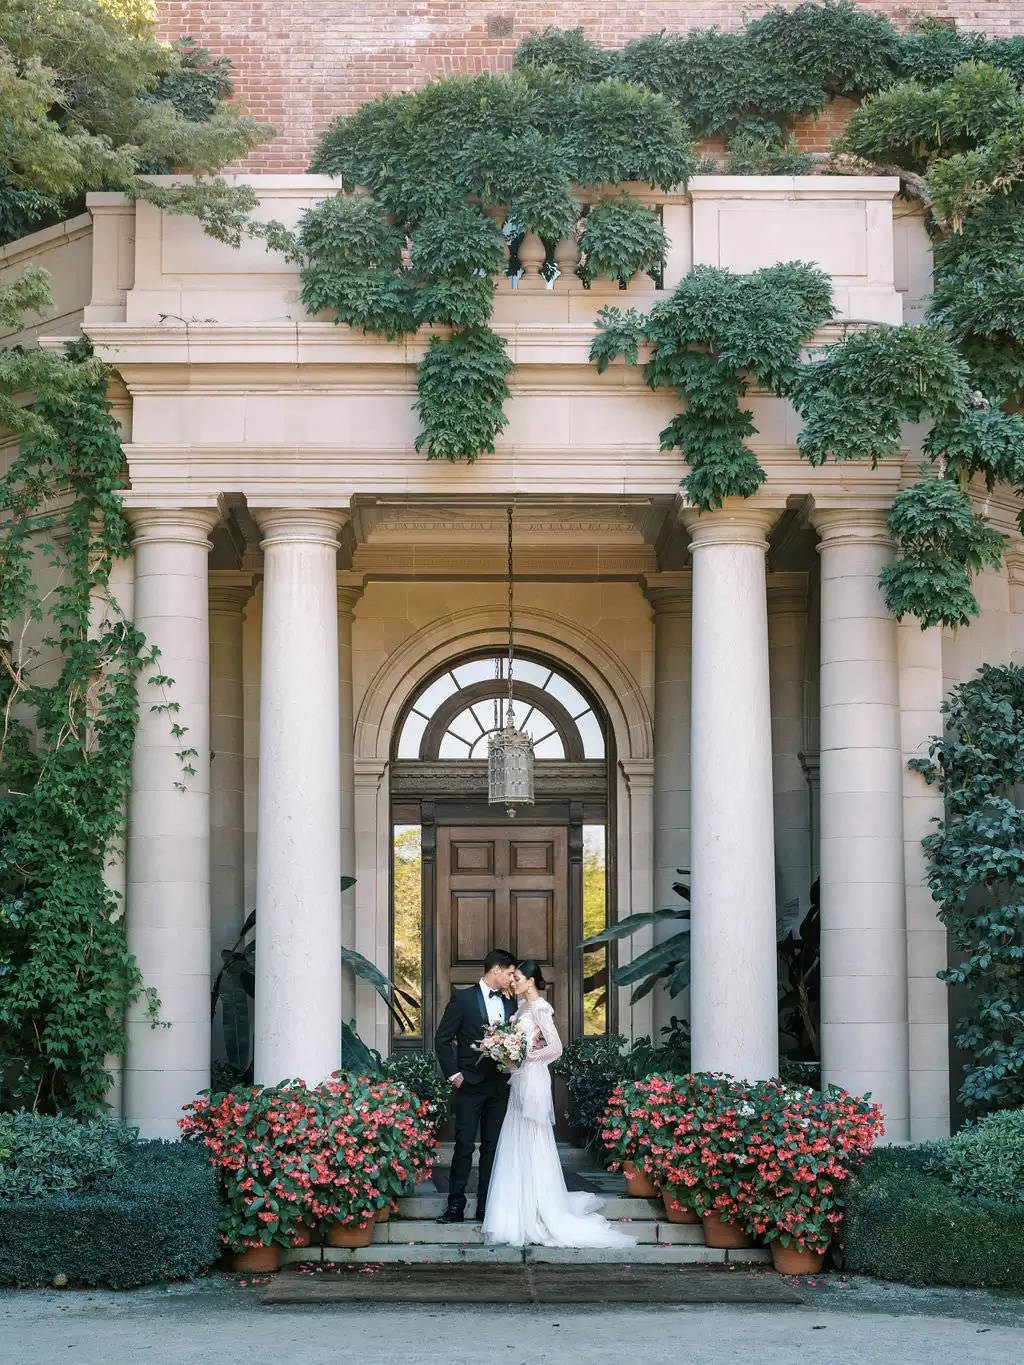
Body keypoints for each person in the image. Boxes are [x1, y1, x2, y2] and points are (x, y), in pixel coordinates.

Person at [481, 960, 636, 1250]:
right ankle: (518, 1209)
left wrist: (526, 1055)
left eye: (518, 978)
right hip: (519, 1080)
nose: (513, 982)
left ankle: (540, 1208)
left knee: (533, 1138)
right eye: (511, 978)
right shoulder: (521, 1009)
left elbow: (556, 1048)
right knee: (517, 1138)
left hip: (533, 1077)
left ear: (531, 981)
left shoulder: (540, 1008)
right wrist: (507, 1054)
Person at [433, 948, 517, 1223]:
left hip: (500, 1086)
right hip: (469, 1084)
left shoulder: (510, 1003)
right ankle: (455, 1205)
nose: (511, 978)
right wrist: (453, 1074)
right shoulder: (463, 998)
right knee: (464, 1145)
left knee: (493, 1147)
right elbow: (442, 1039)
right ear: (495, 970)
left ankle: (486, 1206)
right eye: (509, 973)